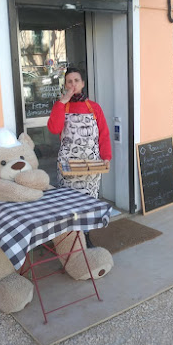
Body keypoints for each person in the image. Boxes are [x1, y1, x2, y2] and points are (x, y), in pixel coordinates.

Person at [47, 67, 112, 246]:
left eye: (76, 80)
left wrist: (106, 156)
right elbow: (54, 128)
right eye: (69, 81)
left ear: (82, 84)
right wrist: (62, 102)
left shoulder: (94, 108)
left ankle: (86, 237)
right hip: (68, 165)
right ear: (65, 85)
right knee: (68, 204)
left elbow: (104, 134)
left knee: (88, 203)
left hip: (91, 165)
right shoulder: (61, 106)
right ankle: (69, 241)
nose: (73, 84)